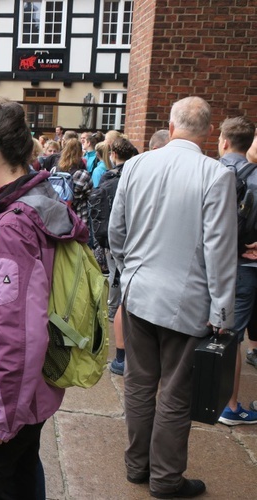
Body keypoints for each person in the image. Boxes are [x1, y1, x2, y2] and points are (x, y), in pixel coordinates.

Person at [0, 96, 87, 499]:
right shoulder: (41, 201)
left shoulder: (12, 225)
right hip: (32, 392)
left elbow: (20, 332)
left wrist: (0, 413)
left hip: (4, 395)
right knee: (21, 480)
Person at [109, 96, 236, 498]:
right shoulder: (214, 175)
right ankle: (165, 478)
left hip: (139, 290)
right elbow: (219, 249)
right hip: (187, 299)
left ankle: (137, 466)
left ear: (171, 124)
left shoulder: (136, 164)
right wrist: (222, 310)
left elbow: (117, 230)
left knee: (139, 382)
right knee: (175, 392)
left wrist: (128, 270)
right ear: (209, 132)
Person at [215, 116, 257, 424]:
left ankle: (207, 396)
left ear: (224, 141)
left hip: (211, 264)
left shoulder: (209, 171)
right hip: (244, 266)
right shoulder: (255, 178)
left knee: (215, 330)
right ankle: (230, 406)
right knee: (233, 335)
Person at [99, 138, 138, 376]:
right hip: (135, 242)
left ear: (113, 153)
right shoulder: (137, 175)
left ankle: (121, 353)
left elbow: (111, 222)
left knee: (117, 285)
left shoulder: (108, 177)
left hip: (117, 243)